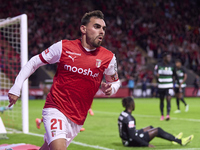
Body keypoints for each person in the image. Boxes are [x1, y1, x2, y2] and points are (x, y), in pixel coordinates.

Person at [8, 10, 121, 150]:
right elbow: (34, 62)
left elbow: (115, 81)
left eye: (104, 28)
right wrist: (16, 86)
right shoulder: (64, 47)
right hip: (55, 108)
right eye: (97, 26)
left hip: (78, 118)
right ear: (83, 29)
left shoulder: (108, 57)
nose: (102, 31)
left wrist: (112, 88)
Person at [118, 96, 194, 147]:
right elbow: (133, 136)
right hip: (130, 142)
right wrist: (146, 144)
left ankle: (173, 138)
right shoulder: (130, 118)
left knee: (150, 127)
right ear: (131, 105)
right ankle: (180, 141)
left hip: (126, 140)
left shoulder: (122, 114)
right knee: (158, 130)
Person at [154, 52, 178, 121]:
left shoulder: (172, 66)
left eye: (170, 57)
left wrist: (176, 83)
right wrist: (156, 74)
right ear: (164, 58)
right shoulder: (158, 65)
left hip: (169, 86)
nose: (169, 59)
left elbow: (175, 75)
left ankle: (168, 115)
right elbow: (155, 71)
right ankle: (162, 115)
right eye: (168, 57)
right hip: (161, 86)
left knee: (168, 99)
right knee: (161, 100)